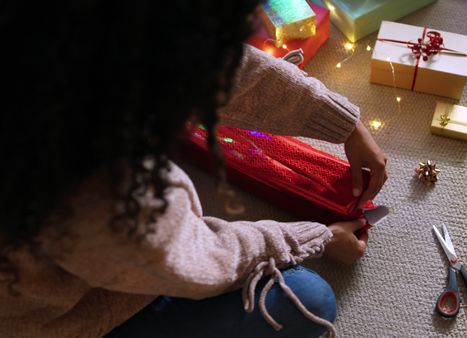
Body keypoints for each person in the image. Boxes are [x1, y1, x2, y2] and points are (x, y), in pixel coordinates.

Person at [0, 1, 387, 337]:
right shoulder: (100, 191)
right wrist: (320, 238)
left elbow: (199, 61)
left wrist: (342, 122)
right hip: (44, 323)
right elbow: (203, 261)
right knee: (309, 298)